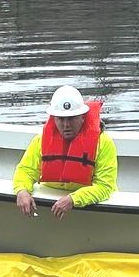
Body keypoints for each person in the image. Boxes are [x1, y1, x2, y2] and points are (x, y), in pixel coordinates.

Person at [13, 84, 117, 219]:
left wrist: (74, 199)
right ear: (53, 118)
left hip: (90, 209)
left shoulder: (104, 143)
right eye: (61, 119)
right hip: (51, 201)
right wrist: (22, 190)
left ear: (83, 117)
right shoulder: (41, 141)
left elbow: (104, 186)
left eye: (72, 118)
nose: (66, 125)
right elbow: (25, 171)